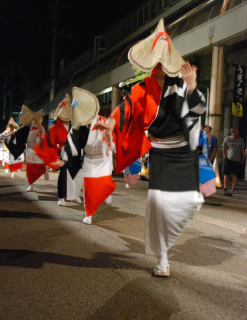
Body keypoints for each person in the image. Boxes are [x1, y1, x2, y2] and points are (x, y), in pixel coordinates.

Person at [97, 19, 206, 277]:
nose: (158, 66)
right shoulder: (143, 88)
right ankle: (163, 258)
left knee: (187, 204)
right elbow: (128, 106)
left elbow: (199, 108)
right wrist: (112, 121)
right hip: (160, 154)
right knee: (158, 208)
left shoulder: (180, 84)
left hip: (183, 153)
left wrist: (191, 86)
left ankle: (165, 246)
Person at [53, 87, 116, 225]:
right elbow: (70, 143)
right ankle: (89, 214)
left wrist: (107, 136)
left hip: (103, 157)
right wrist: (64, 159)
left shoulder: (103, 121)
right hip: (89, 158)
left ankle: (106, 191)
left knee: (104, 183)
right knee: (89, 187)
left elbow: (112, 141)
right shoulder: (77, 126)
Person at [34, 94, 83, 206]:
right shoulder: (56, 128)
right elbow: (49, 143)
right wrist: (53, 159)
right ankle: (61, 197)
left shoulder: (75, 126)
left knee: (77, 176)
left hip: (76, 154)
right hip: (64, 154)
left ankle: (74, 195)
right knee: (64, 176)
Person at [222, 128, 245, 193]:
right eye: (236, 131)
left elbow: (242, 150)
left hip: (237, 159)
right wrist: (224, 157)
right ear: (232, 133)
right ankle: (225, 187)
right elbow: (223, 148)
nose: (238, 132)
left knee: (235, 174)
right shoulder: (227, 139)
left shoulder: (240, 140)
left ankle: (233, 187)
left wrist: (243, 158)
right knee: (226, 173)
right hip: (229, 158)